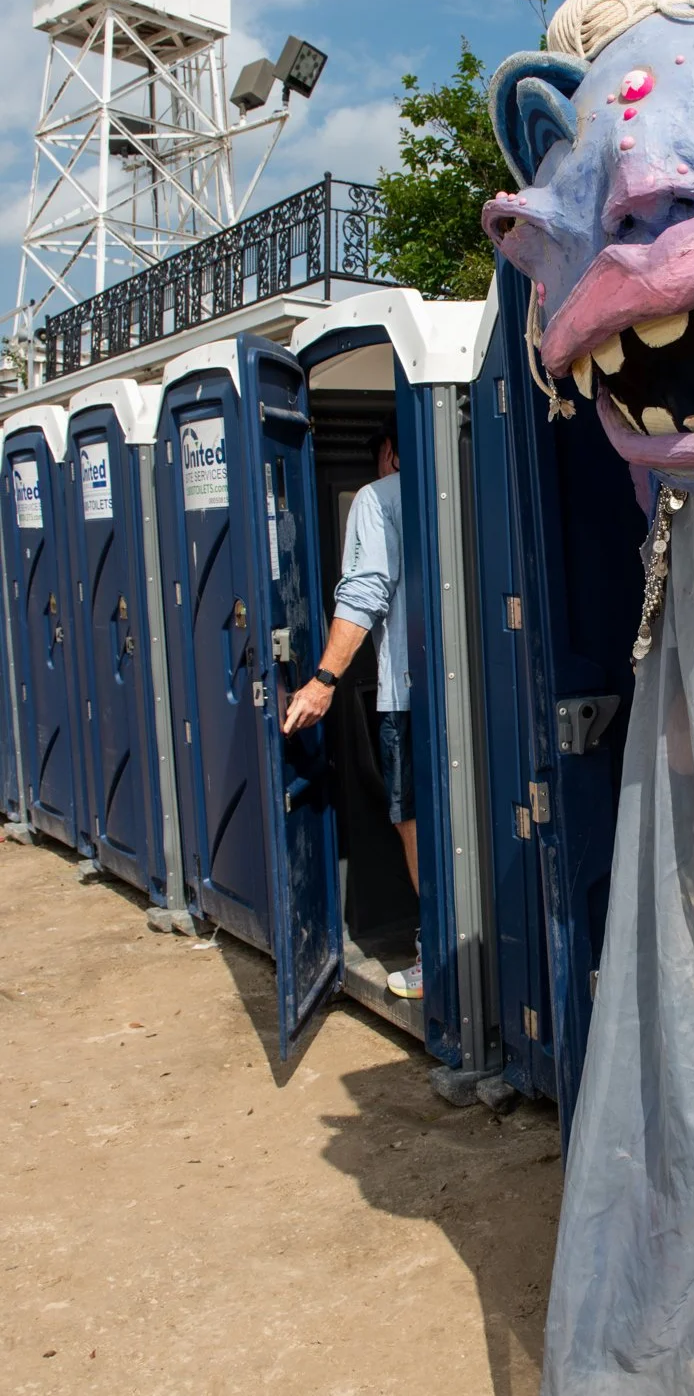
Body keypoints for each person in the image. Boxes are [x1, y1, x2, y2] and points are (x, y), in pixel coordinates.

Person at [282, 413, 421, 996]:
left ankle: (437, 952)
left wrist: (322, 680)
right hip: (471, 692)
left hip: (407, 696)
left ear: (389, 451)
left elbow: (364, 592)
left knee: (414, 822)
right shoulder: (472, 480)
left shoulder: (376, 497)